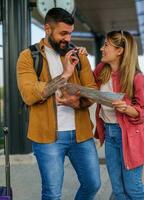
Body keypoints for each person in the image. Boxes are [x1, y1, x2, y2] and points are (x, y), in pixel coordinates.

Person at [16, 8, 100, 200]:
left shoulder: (79, 56)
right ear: (47, 29)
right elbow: (29, 95)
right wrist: (64, 76)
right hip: (47, 139)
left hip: (81, 135)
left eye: (70, 33)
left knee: (93, 184)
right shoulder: (28, 57)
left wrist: (76, 103)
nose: (67, 38)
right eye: (63, 33)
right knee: (52, 193)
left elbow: (92, 91)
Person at [93, 30, 144, 200]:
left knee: (134, 189)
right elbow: (86, 82)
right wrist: (80, 60)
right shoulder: (102, 70)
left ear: (119, 51)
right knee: (118, 190)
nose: (101, 48)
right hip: (110, 134)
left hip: (130, 136)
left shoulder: (138, 78)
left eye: (106, 45)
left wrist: (127, 108)